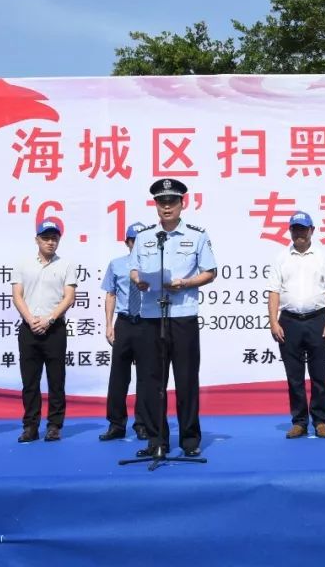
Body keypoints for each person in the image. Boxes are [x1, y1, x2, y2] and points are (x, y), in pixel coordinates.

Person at [130, 178, 217, 458]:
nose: (166, 207)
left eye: (172, 202)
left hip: (182, 316)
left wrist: (186, 283)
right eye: (161, 202)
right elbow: (134, 270)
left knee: (186, 379)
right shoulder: (144, 237)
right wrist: (139, 281)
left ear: (182, 204)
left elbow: (210, 272)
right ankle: (157, 441)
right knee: (152, 380)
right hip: (151, 316)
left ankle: (189, 440)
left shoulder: (197, 234)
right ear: (155, 205)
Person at [266, 211, 325, 439]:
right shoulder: (281, 257)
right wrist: (273, 322)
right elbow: (274, 292)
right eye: (295, 229)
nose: (299, 233)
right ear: (290, 231)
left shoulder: (322, 256)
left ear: (312, 231)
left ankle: (320, 421)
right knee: (294, 376)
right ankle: (299, 421)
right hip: (289, 322)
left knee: (319, 374)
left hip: (318, 320)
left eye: (303, 229)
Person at [11, 219, 77, 443]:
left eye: (54, 238)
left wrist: (49, 319)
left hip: (54, 328)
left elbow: (69, 297)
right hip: (29, 328)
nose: (50, 242)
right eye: (46, 238)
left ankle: (54, 426)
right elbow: (17, 295)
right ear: (36, 239)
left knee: (56, 379)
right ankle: (30, 426)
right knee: (30, 381)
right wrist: (30, 319)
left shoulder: (66, 265)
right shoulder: (22, 264)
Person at [99, 222, 149, 441]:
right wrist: (109, 324)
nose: (136, 244)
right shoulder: (117, 264)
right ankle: (116, 423)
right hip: (124, 322)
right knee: (119, 375)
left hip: (147, 322)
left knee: (147, 377)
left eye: (140, 240)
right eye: (132, 240)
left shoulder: (154, 265)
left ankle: (143, 423)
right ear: (127, 242)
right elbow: (110, 294)